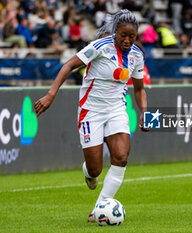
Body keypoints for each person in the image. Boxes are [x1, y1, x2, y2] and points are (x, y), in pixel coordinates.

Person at [34, 9, 148, 222]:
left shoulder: (137, 55)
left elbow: (140, 89)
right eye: (123, 35)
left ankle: (99, 208)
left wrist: (144, 112)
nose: (127, 40)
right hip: (91, 111)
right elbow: (68, 65)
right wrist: (50, 95)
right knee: (95, 169)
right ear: (115, 32)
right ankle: (88, 172)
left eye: (132, 36)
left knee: (121, 157)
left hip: (116, 109)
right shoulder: (99, 47)